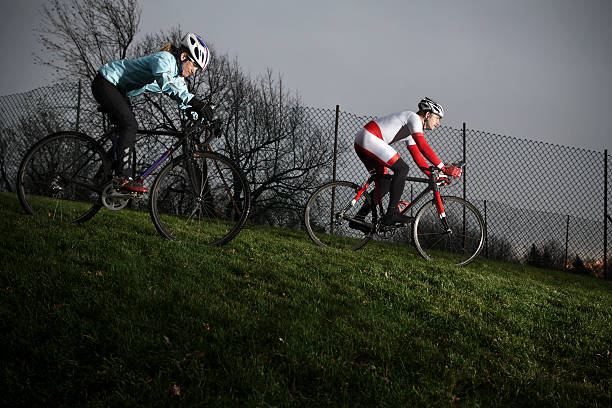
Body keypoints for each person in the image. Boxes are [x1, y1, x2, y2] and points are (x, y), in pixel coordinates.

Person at [91, 32, 210, 192]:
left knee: (126, 136)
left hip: (119, 91)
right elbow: (165, 83)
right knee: (129, 125)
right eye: (194, 65)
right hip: (106, 82)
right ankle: (122, 178)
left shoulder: (178, 77)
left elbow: (183, 99)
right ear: (183, 57)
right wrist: (194, 102)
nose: (194, 71)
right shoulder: (164, 59)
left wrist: (206, 120)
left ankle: (100, 177)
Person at [351, 97, 462, 227]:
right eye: (437, 118)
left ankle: (358, 219)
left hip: (362, 140)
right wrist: (443, 168)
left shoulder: (411, 128)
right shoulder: (413, 118)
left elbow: (417, 156)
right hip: (370, 138)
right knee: (402, 169)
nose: (438, 123)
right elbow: (423, 146)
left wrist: (432, 176)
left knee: (384, 185)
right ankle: (391, 214)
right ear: (427, 114)